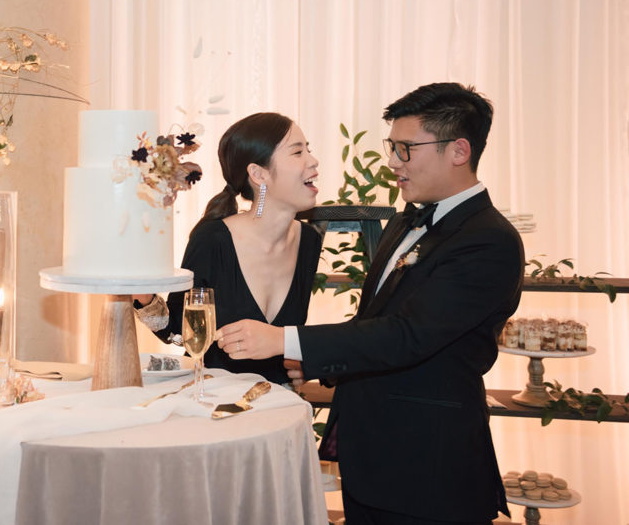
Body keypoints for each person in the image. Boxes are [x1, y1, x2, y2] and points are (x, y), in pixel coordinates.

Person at [262, 83, 522, 524]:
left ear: (458, 151)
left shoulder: (489, 240)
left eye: (406, 149)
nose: (393, 162)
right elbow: (377, 319)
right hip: (373, 459)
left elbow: (409, 335)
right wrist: (322, 364)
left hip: (428, 468)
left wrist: (285, 340)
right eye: (392, 147)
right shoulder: (406, 219)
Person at [135, 112, 322, 385]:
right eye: (297, 152)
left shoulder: (309, 241)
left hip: (278, 400)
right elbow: (178, 331)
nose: (313, 161)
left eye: (308, 149)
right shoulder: (213, 239)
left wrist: (303, 360)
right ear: (258, 174)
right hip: (212, 396)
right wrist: (143, 298)